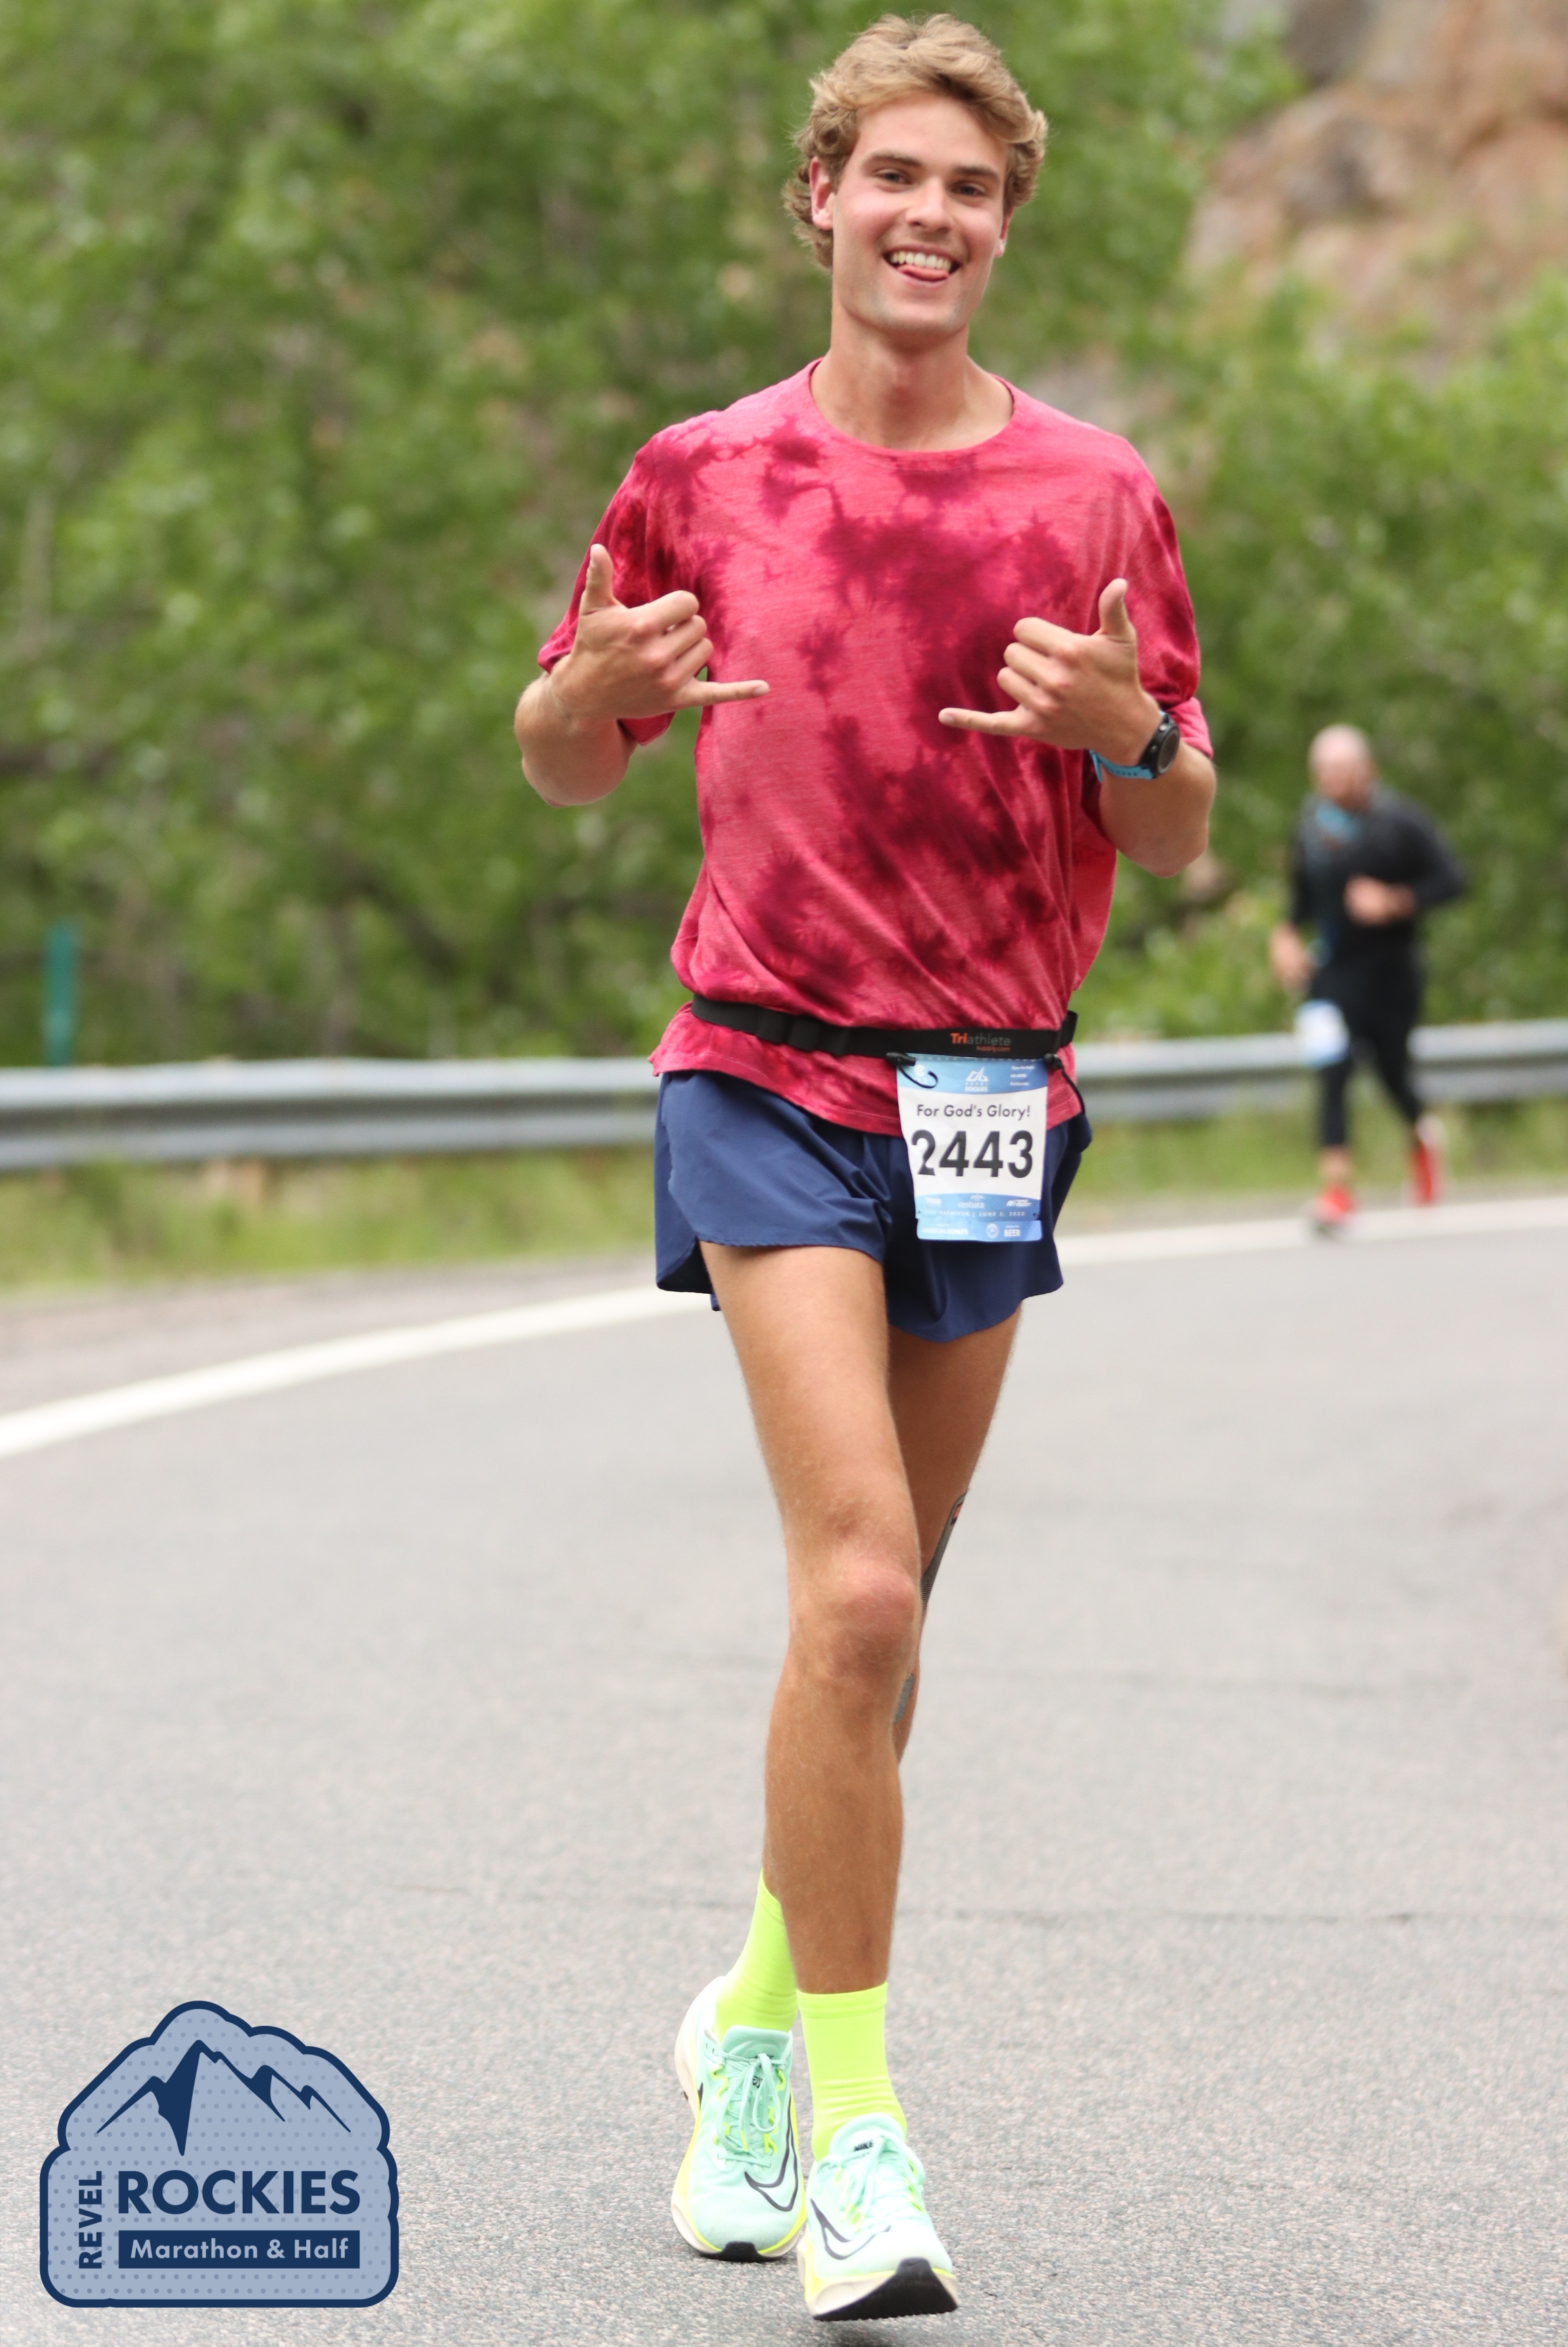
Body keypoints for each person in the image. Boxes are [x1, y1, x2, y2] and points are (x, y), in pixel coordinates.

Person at [514, 14, 1215, 2322]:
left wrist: (1137, 739)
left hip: (991, 1093)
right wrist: (574, 696)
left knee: (879, 1625)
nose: (931, 217)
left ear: (1006, 226)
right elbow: (571, 759)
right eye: (894, 176)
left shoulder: (1095, 494)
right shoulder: (703, 471)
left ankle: (742, 2028)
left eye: (971, 189)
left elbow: (1175, 822)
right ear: (820, 195)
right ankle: (860, 2142)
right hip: (765, 1066)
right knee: (866, 1596)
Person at [1270, 725, 1464, 1230]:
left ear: (1367, 770)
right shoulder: (1311, 828)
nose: (1333, 780)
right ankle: (1336, 1191)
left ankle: (1422, 1137)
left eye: (1343, 770)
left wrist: (1395, 901)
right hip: (1331, 975)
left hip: (1391, 974)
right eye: (1324, 772)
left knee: (1392, 1073)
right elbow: (1300, 901)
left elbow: (1452, 880)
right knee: (1331, 1069)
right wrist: (1285, 937)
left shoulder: (1400, 821)